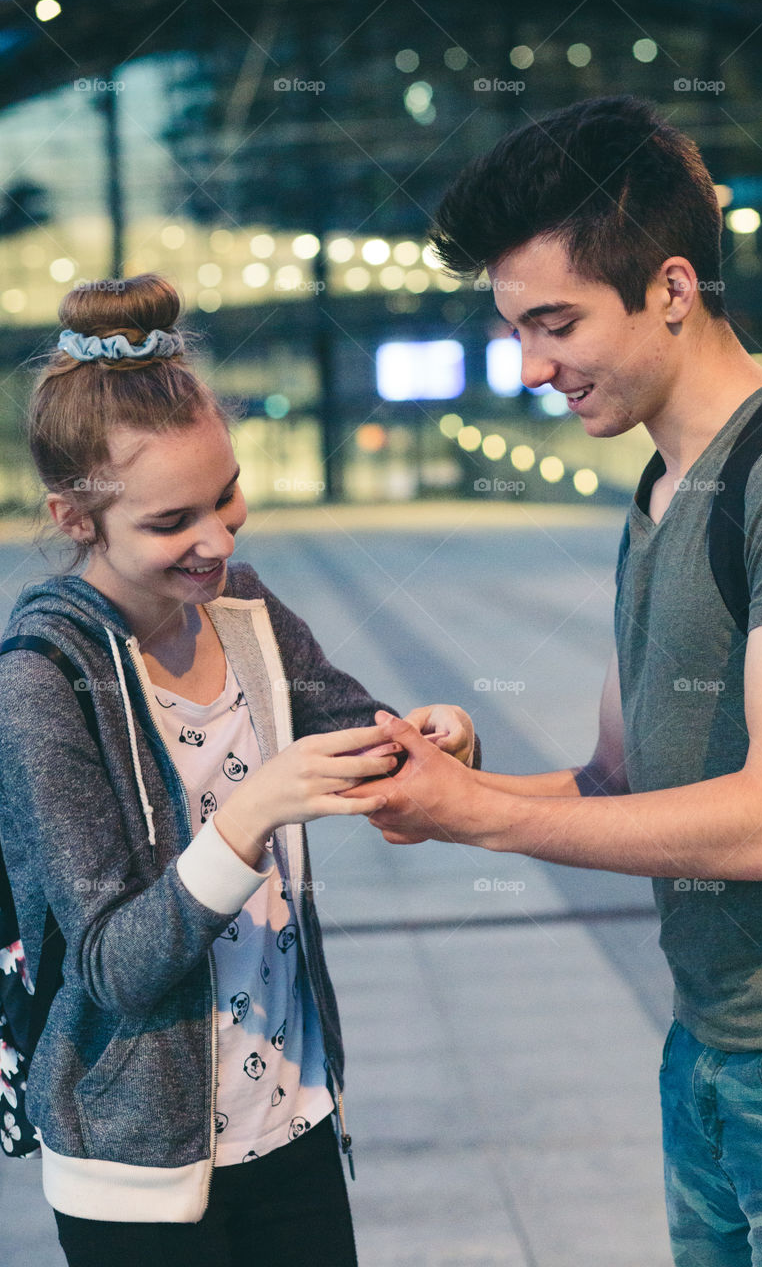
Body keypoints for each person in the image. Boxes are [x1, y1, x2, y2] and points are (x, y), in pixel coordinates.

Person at [347, 96, 762, 1265]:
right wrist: (448, 789)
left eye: (556, 323)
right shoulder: (658, 492)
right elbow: (615, 779)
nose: (531, 366)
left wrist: (484, 817)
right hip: (710, 1053)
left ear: (671, 288)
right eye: (517, 328)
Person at [0, 273, 476, 1267]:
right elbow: (109, 963)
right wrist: (248, 814)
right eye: (173, 522)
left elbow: (364, 732)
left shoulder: (247, 613)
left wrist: (436, 737)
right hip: (136, 1159)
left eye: (225, 495)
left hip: (293, 1112)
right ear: (76, 517)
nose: (216, 538)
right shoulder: (43, 679)